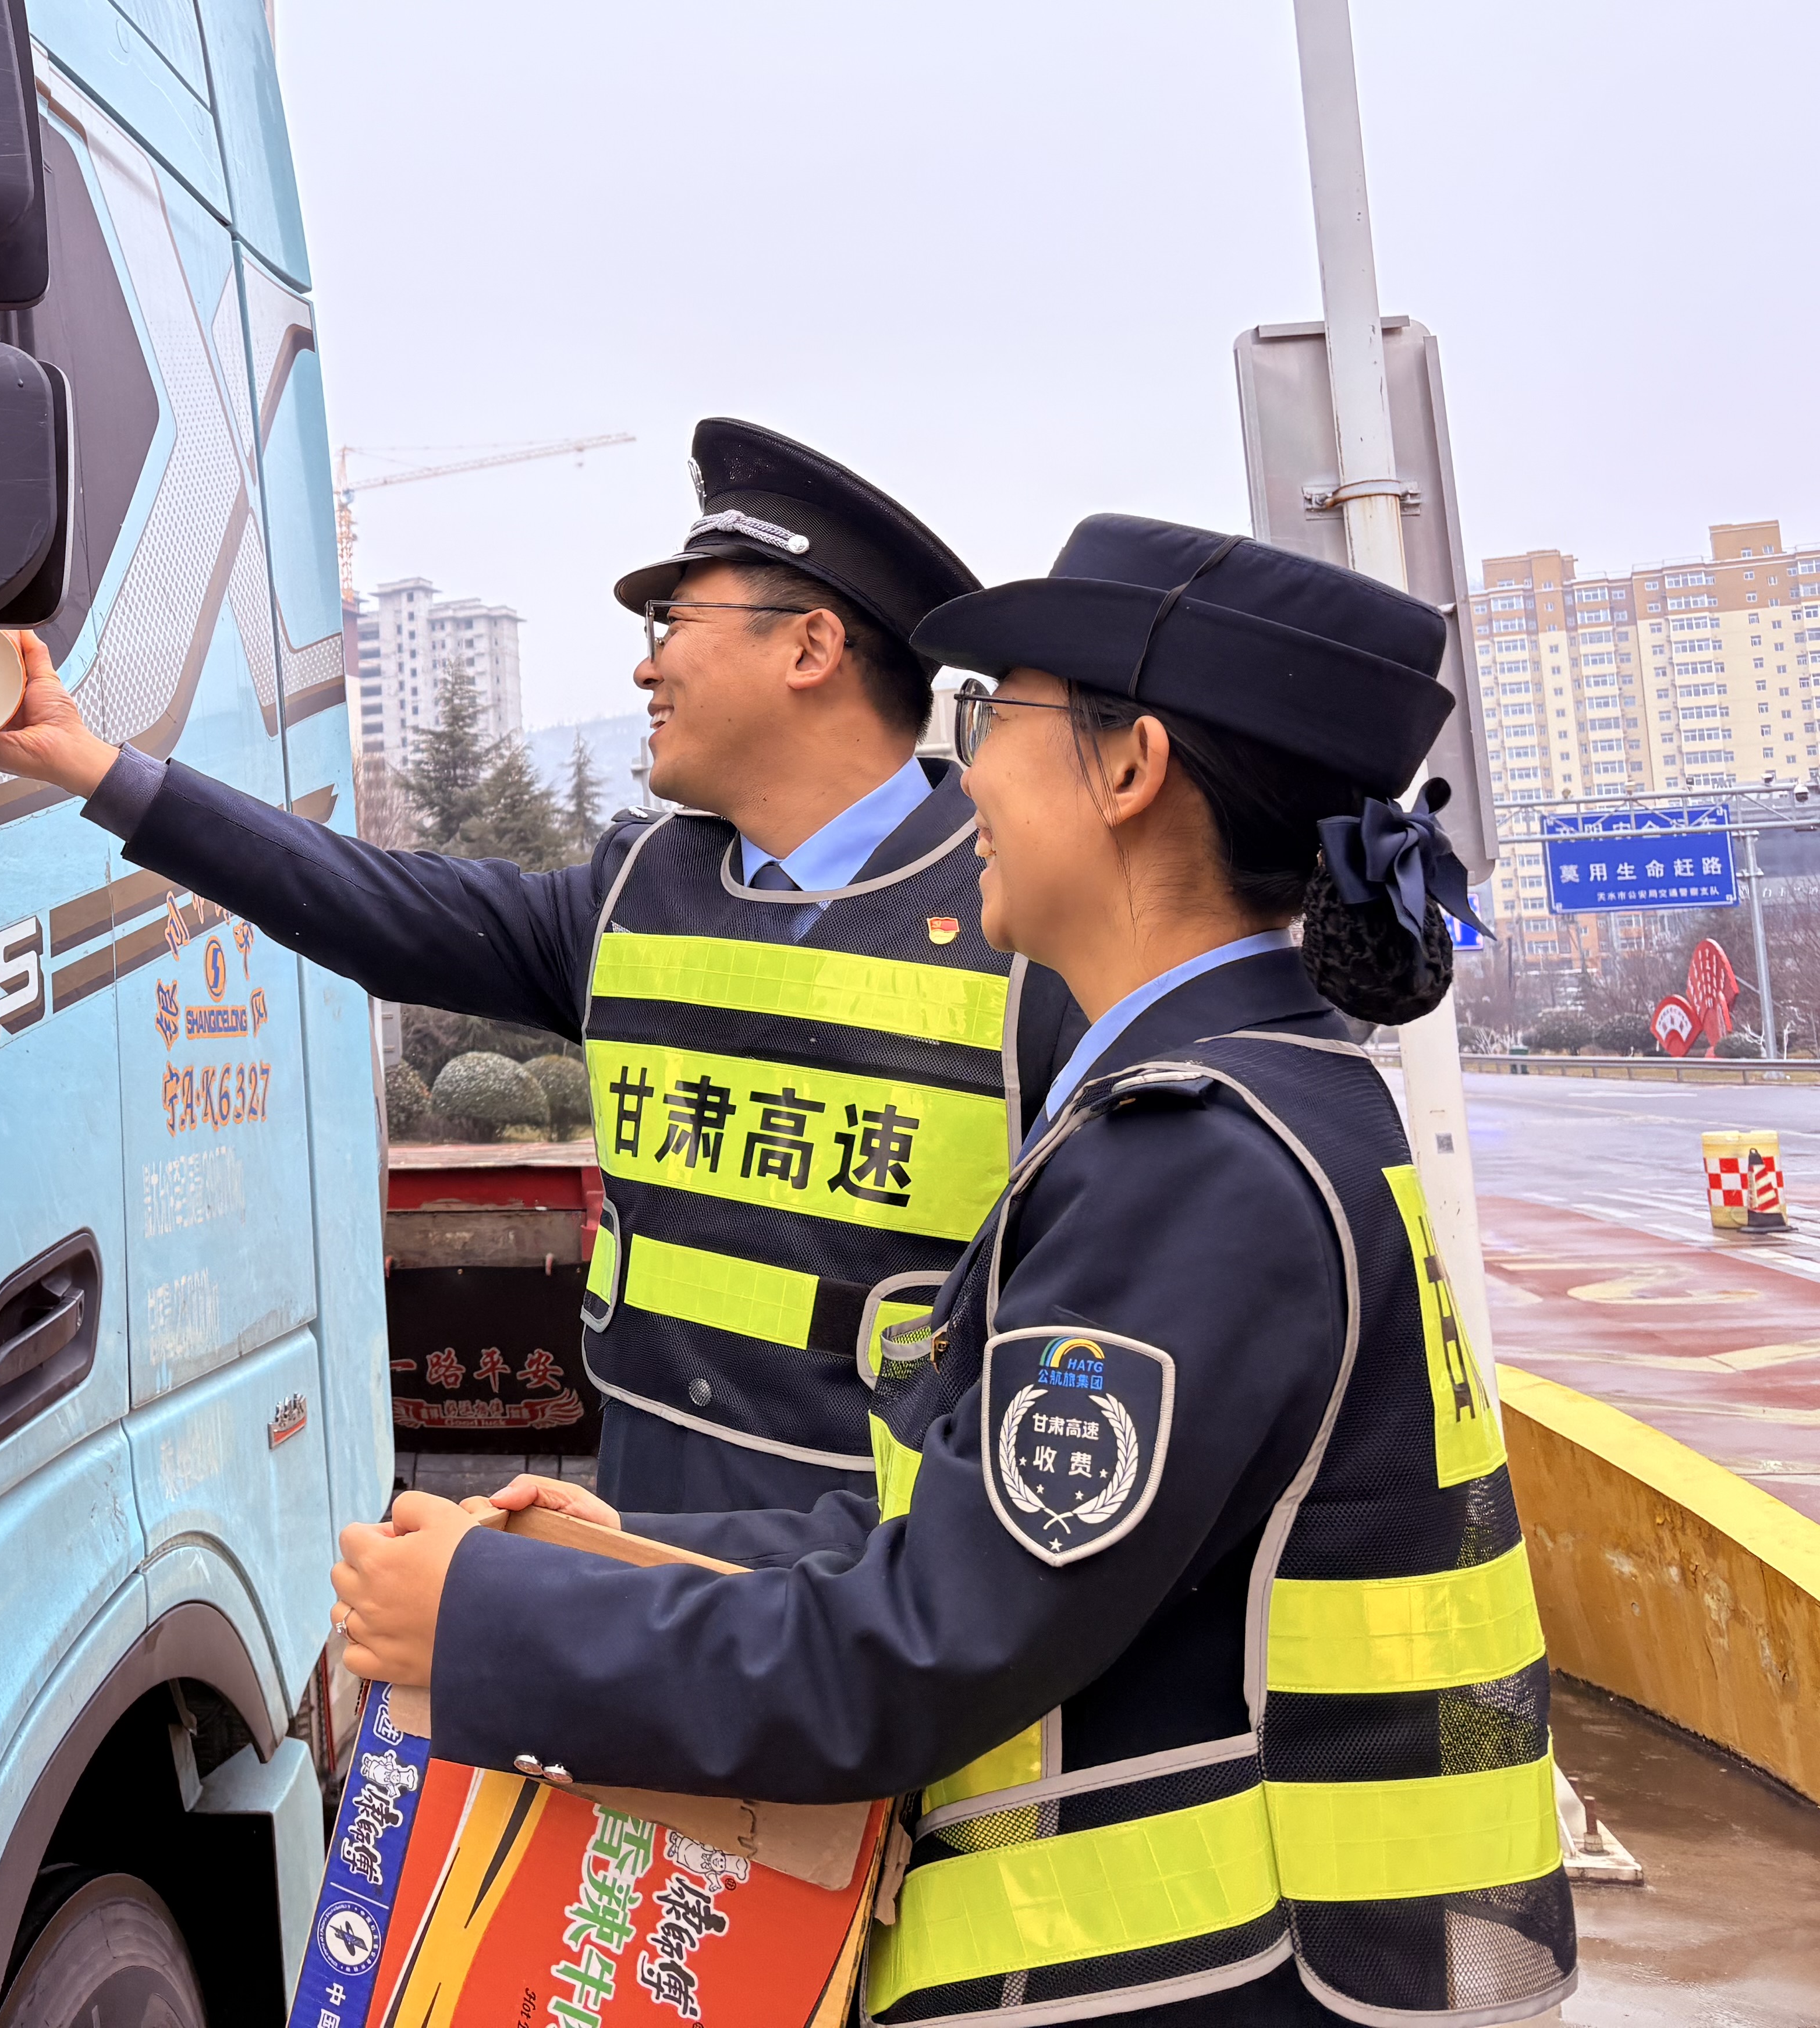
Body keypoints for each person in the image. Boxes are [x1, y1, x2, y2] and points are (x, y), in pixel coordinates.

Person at [327, 515, 1576, 2028]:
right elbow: (981, 1529)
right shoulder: (1262, 1100)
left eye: (1000, 721)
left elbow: (927, 1650)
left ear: (1130, 770)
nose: (963, 777)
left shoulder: (1195, 1161)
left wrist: (487, 1627)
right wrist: (639, 1553)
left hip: (1202, 1983)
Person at [0, 419, 1083, 1516]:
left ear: (811, 647)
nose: (646, 669)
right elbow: (373, 906)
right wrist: (96, 767)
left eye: (675, 625)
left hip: (891, 1590)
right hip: (637, 1537)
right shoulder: (636, 892)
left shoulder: (1028, 926)